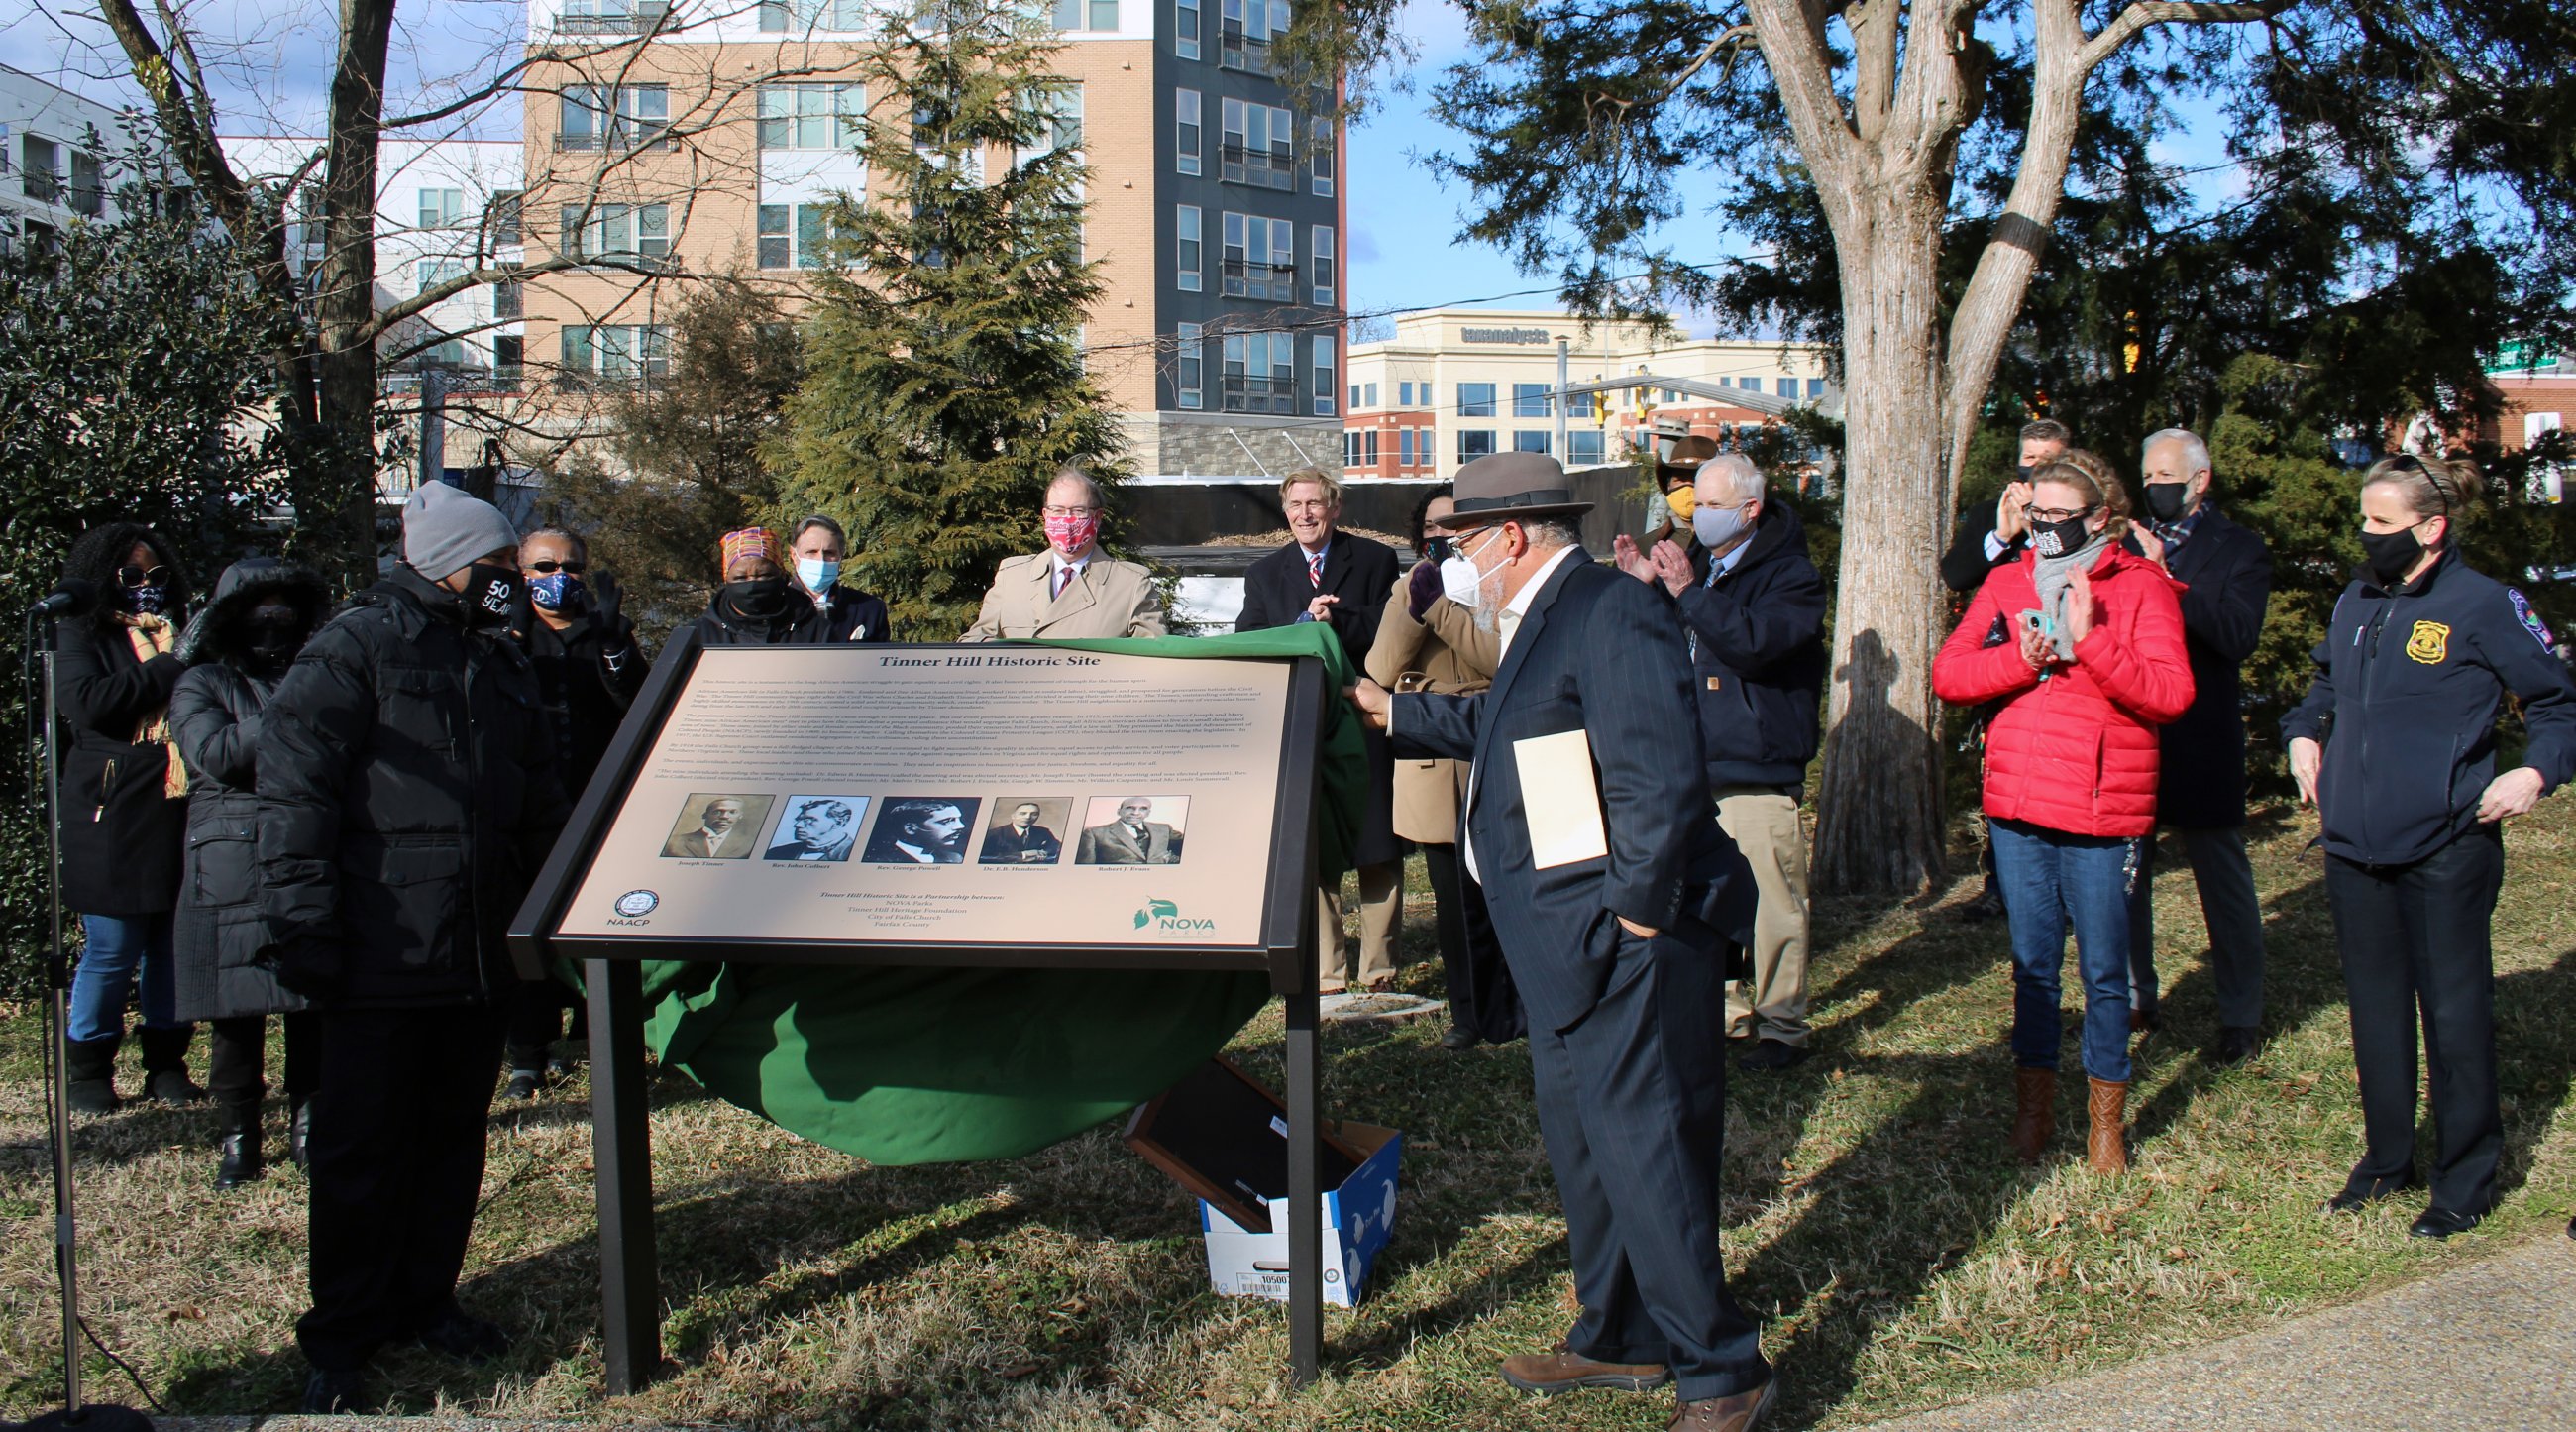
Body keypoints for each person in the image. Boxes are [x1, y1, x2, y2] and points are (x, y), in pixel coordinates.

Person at [1347, 453, 1775, 1432]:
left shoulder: (1606, 610)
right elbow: (1516, 726)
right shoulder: (1542, 615)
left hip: (1622, 941)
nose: (1450, 565)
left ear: (1507, 538)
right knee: (1589, 1148)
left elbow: (1658, 781)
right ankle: (1618, 1335)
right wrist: (1391, 709)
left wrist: (1626, 917)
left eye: (1458, 545)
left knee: (1647, 1148)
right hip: (1560, 940)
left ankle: (1722, 1371)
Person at [259, 482, 572, 1412]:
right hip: (376, 946)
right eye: (503, 568)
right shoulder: (354, 648)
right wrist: (303, 921)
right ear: (453, 566)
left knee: (449, 1141)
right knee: (363, 1148)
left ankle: (427, 1298)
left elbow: (540, 798)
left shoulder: (502, 657)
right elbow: (295, 792)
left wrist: (557, 901)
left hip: (476, 951)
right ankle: (342, 1333)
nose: (515, 582)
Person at [2282, 454, 2576, 1239]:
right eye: (2364, 519)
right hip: (2354, 846)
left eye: (2381, 522)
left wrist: (2534, 773)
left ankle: (2466, 1177)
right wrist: (2304, 735)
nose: (2365, 534)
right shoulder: (2355, 600)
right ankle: (2386, 1161)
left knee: (2453, 1012)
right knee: (2377, 1011)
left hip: (2448, 844)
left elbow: (2557, 702)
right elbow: (2322, 687)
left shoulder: (2485, 604)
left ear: (2430, 528)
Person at [1932, 458, 2194, 1173]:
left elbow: (2171, 694)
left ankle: (2105, 1120)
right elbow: (1949, 674)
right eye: (2035, 515)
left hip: (2102, 804)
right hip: (2019, 802)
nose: (2045, 528)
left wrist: (2096, 640)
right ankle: (2034, 1111)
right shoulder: (2009, 577)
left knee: (2105, 969)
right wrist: (2019, 661)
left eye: (2059, 515)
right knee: (2033, 966)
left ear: (2099, 516)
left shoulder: (2140, 586)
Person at [1615, 453, 1827, 1074]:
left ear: (1750, 510)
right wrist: (1642, 587)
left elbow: (1754, 646)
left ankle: (1783, 1025)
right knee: (1710, 903)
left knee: (1773, 904)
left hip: (1756, 767)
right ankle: (1725, 1014)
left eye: (1709, 505)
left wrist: (1684, 591)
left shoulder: (1789, 574)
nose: (1696, 515)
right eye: (1693, 503)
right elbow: (1672, 647)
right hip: (1695, 766)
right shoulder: (1699, 565)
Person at [168, 558, 330, 1186]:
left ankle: (309, 1124)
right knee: (234, 1010)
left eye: (285, 606)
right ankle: (240, 1134)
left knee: (310, 1000)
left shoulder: (319, 675)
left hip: (310, 846)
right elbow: (214, 755)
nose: (273, 620)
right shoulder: (201, 683)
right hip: (229, 857)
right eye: (259, 607)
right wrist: (294, 709)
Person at [2121, 429, 2273, 1063]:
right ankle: (2131, 998)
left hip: (2202, 734)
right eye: (2148, 475)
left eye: (2166, 475)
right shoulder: (2123, 544)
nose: (2155, 486)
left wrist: (2165, 579)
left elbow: (2237, 634)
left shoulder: (2238, 548)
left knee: (2222, 880)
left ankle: (2241, 1013)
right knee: (2125, 877)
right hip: (2133, 731)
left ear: (2199, 479)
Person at [1237, 468, 1406, 994]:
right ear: (1284, 511)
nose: (1304, 514)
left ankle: (1378, 968)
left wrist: (1340, 620)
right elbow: (1249, 636)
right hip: (1304, 725)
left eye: (1315, 504)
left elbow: (1393, 627)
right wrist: (1299, 621)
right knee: (1313, 845)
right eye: (1294, 505)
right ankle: (1328, 971)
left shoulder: (1375, 560)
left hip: (1364, 718)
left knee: (1378, 844)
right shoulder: (1265, 572)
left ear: (1334, 508)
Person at [1364, 485, 1520, 1049]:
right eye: (1431, 528)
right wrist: (1412, 604)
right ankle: (1467, 1014)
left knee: (1503, 891)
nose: (1442, 537)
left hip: (1489, 744)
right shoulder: (1408, 587)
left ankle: (1513, 1006)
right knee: (1452, 899)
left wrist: (1440, 611)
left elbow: (1497, 660)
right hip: (1431, 758)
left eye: (1455, 526)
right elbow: (1380, 669)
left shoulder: (1498, 586)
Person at [54, 522, 202, 1113]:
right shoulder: (80, 633)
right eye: (132, 576)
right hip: (110, 808)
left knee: (170, 944)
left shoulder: (182, 631)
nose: (146, 587)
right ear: (104, 578)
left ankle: (167, 1061)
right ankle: (90, 1067)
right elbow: (89, 704)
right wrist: (172, 666)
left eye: (156, 576)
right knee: (112, 946)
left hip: (175, 802)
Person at [503, 526, 650, 1100]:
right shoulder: (506, 635)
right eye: (543, 567)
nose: (557, 577)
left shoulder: (603, 631)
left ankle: (594, 1036)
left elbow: (637, 702)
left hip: (595, 801)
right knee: (528, 927)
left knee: (591, 925)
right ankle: (527, 1050)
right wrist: (512, 635)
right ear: (522, 572)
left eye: (570, 567)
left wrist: (614, 644)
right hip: (525, 807)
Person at [1944, 419, 2074, 923]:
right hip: (2004, 666)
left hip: (2062, 667)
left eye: (2046, 459)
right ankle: (2001, 884)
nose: (2033, 467)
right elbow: (1956, 573)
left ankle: (2062, 886)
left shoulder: (2074, 518)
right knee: (2000, 774)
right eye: (2028, 457)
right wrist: (2003, 534)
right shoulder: (1991, 514)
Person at [961, 469, 1167, 640]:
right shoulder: (1012, 576)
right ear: (1045, 515)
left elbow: (1151, 656)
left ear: (1097, 517)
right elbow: (978, 640)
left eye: (1078, 511)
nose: (1067, 520)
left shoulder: (1131, 584)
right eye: (1058, 511)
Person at [695, 526, 831, 645]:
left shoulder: (818, 631)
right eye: (741, 577)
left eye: (764, 575)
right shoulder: (698, 634)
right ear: (726, 579)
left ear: (782, 575)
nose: (752, 584)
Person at [785, 515, 894, 642]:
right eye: (812, 552)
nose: (821, 560)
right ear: (794, 555)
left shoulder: (870, 609)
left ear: (840, 555)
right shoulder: (774, 607)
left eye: (829, 553)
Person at [1075, 796, 1183, 865]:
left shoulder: (1164, 829)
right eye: (1130, 808)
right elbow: (1084, 868)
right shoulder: (1094, 833)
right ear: (1119, 811)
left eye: (1143, 809)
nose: (1136, 813)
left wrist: (1174, 860)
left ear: (1148, 813)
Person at [864, 799, 972, 863]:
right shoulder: (878, 860)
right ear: (910, 828)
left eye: (958, 819)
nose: (960, 826)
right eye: (947, 821)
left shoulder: (955, 858)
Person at [766, 798, 860, 861]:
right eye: (799, 820)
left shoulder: (856, 854)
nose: (797, 825)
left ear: (839, 822)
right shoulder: (776, 853)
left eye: (809, 820)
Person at [665, 796, 759, 858]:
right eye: (717, 811)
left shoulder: (750, 845)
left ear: (740, 816)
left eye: (732, 812)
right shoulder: (674, 842)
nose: (724, 816)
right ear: (705, 815)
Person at [981, 801, 1064, 863]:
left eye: (1034, 814)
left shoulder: (1043, 832)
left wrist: (1044, 853)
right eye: (1023, 813)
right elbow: (986, 857)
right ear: (1013, 816)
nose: (1028, 817)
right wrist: (1024, 855)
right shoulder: (994, 834)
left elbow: (1058, 848)